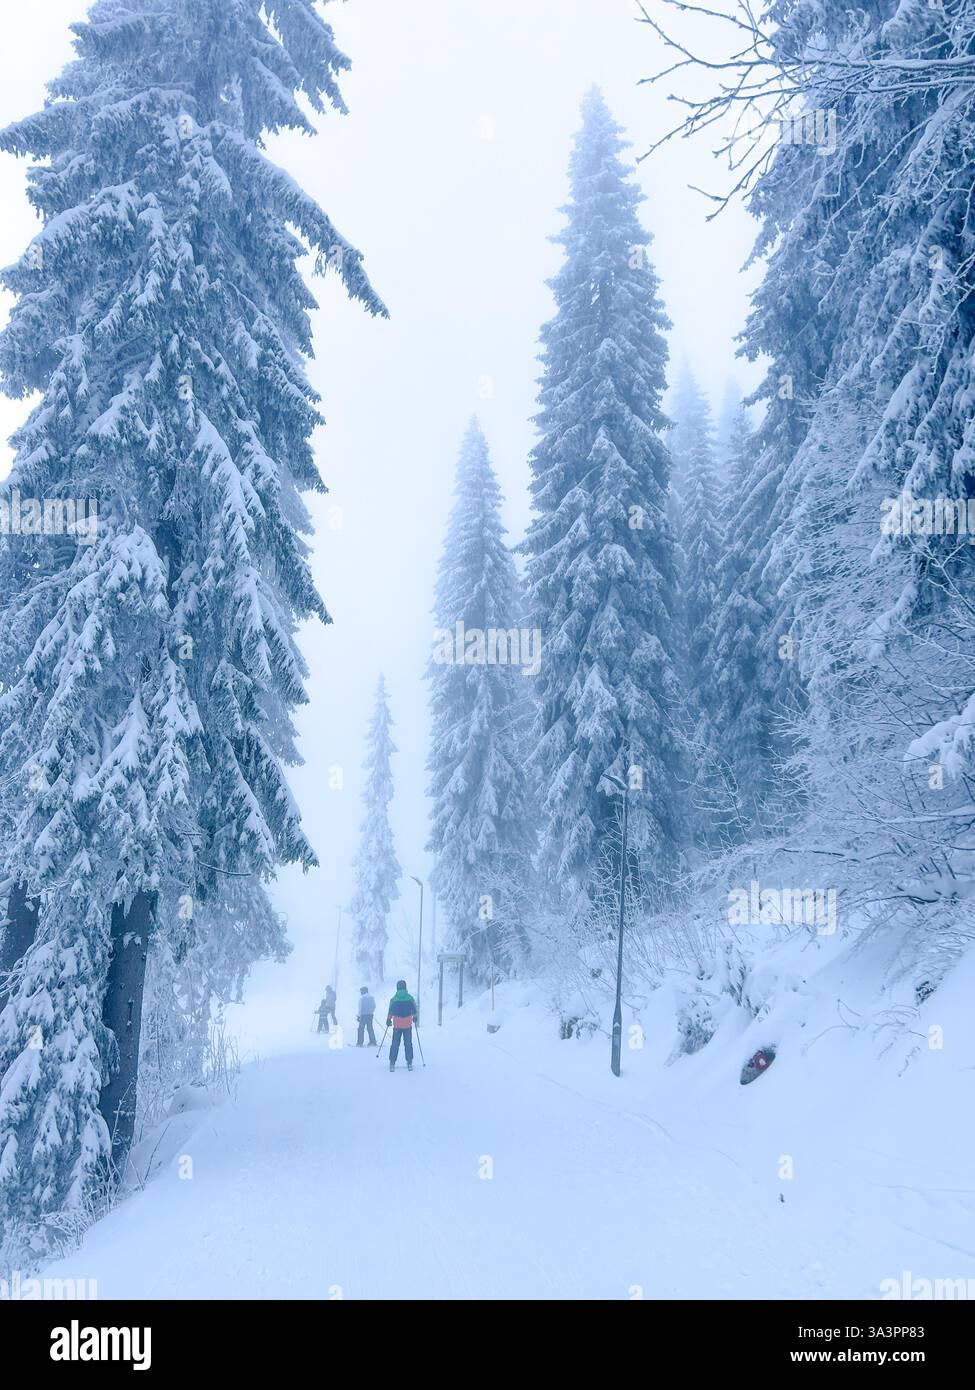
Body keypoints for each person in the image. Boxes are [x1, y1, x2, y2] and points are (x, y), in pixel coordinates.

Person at [387, 979, 418, 1072]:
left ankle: (392, 1062)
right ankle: (409, 1062)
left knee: (395, 1044)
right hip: (407, 1025)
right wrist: (415, 1017)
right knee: (408, 1044)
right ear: (405, 987)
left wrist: (388, 1020)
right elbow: (414, 1010)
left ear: (397, 988)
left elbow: (390, 1011)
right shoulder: (410, 998)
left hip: (397, 1025)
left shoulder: (393, 999)